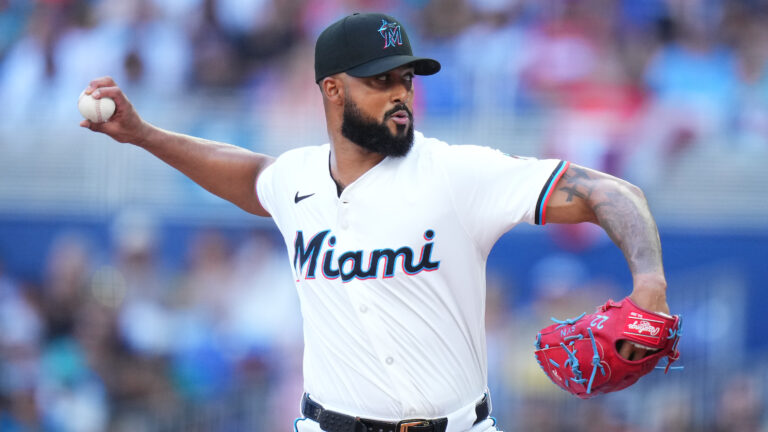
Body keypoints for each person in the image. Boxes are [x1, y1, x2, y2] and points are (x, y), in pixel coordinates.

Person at [81, 12, 672, 432]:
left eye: (406, 79)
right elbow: (250, 177)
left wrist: (649, 284)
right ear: (332, 89)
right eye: (381, 80)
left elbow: (606, 191)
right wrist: (144, 135)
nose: (401, 94)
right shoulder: (297, 179)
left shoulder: (456, 174)